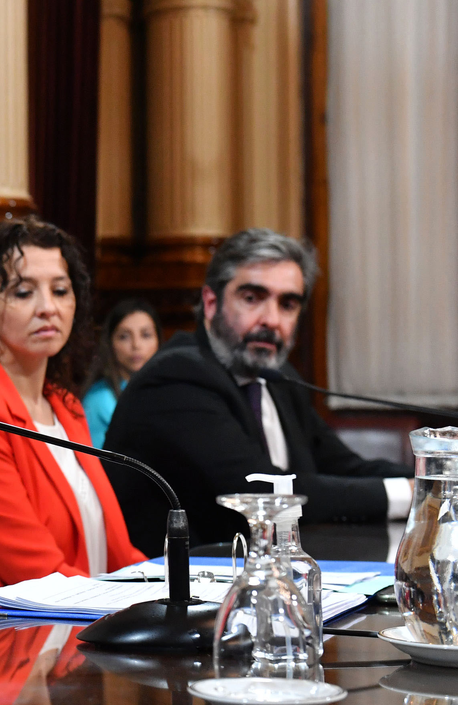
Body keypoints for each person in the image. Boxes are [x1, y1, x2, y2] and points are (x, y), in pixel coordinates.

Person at [104, 228, 413, 559]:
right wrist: (408, 494)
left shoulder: (277, 380)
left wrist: (434, 481)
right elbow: (263, 493)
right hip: (170, 590)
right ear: (211, 303)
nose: (271, 320)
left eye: (288, 304)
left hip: (256, 578)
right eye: (252, 298)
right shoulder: (177, 378)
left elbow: (342, 466)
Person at [0, 219, 146, 611]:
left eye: (61, 291)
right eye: (24, 292)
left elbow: (119, 553)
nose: (48, 308)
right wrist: (140, 603)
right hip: (14, 650)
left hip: (86, 631)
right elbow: (37, 573)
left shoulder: (66, 405)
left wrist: (173, 596)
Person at [81, 299, 162, 447]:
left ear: (158, 340)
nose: (136, 345)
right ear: (110, 343)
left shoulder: (168, 389)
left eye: (146, 335)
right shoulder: (98, 400)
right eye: (124, 336)